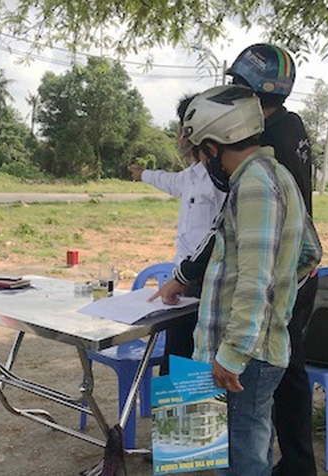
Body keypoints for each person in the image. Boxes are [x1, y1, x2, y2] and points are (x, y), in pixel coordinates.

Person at [151, 84, 322, 475]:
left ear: (213, 146)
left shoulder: (254, 185)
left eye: (202, 151)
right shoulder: (274, 175)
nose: (205, 161)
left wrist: (234, 352)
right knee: (239, 450)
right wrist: (279, 297)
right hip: (248, 347)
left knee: (242, 460)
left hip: (247, 357)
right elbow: (309, 252)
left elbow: (255, 280)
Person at [227, 43, 317, 476]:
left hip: (281, 268)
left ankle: (294, 465)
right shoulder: (291, 124)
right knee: (291, 367)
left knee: (280, 370)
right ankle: (298, 463)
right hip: (298, 263)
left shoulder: (266, 138)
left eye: (236, 85)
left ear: (250, 88)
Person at [128, 94, 226, 374]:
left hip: (205, 282)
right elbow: (169, 181)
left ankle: (186, 415)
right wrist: (143, 174)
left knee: (194, 362)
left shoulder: (219, 179)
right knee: (176, 358)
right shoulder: (193, 175)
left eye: (181, 128)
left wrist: (185, 276)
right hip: (184, 280)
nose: (178, 136)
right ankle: (172, 417)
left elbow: (219, 234)